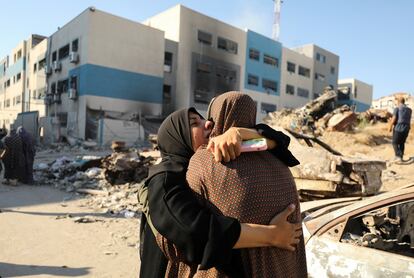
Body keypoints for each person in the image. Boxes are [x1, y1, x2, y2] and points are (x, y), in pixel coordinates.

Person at [139, 107, 301, 277]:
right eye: (195, 123)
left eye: (206, 120)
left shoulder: (207, 164)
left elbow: (280, 141)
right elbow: (194, 231)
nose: (208, 123)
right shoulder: (164, 179)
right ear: (178, 137)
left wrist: (240, 133)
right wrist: (272, 235)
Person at [389, 96, 412, 161]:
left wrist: (390, 127)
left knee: (394, 143)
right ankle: (400, 157)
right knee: (402, 143)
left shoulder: (397, 108)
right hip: (407, 128)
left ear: (398, 102)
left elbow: (394, 119)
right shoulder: (409, 110)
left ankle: (398, 156)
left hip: (398, 128)